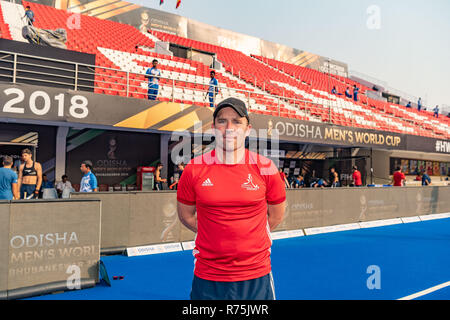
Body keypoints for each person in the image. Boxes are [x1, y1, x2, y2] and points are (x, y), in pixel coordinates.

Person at [177, 97, 286, 300]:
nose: (229, 128)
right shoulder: (193, 170)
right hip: (208, 276)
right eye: (222, 121)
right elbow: (186, 216)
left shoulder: (266, 168)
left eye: (237, 121)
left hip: (256, 275)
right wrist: (216, 233)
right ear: (213, 127)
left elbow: (276, 215)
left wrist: (246, 237)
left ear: (247, 129)